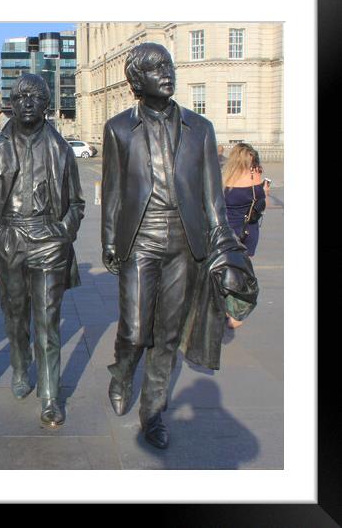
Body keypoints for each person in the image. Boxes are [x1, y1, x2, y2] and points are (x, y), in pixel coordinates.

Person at [101, 42, 245, 449]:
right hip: (140, 238)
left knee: (166, 335)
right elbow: (112, 191)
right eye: (154, 68)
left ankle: (153, 413)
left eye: (168, 64)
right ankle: (122, 372)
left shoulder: (200, 129)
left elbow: (212, 198)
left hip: (185, 240)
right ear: (136, 81)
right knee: (133, 330)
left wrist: (225, 249)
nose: (167, 72)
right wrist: (110, 241)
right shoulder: (118, 129)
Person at [0, 74, 85, 427]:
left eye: (35, 97)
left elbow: (77, 203)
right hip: (9, 237)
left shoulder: (61, 150)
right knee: (15, 315)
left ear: (46, 104)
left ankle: (51, 395)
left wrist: (63, 231)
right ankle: (21, 365)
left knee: (48, 321)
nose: (26, 102)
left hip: (48, 239)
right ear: (10, 103)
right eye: (20, 96)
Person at [222, 142, 270, 328]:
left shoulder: (225, 177)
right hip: (246, 232)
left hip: (225, 230)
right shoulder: (254, 180)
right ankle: (233, 313)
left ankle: (222, 306)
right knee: (242, 272)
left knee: (227, 269)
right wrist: (264, 193)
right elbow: (258, 207)